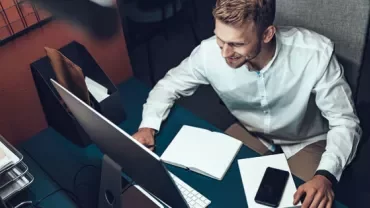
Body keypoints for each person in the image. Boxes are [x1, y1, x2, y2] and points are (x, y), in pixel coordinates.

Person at [132, 0, 362, 207]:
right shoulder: (210, 52)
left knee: (300, 203)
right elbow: (168, 86)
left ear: (267, 34)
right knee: (200, 188)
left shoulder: (315, 54)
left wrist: (325, 176)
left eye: (237, 44)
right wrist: (147, 127)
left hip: (306, 140)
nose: (224, 53)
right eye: (220, 39)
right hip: (251, 131)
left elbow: (345, 122)